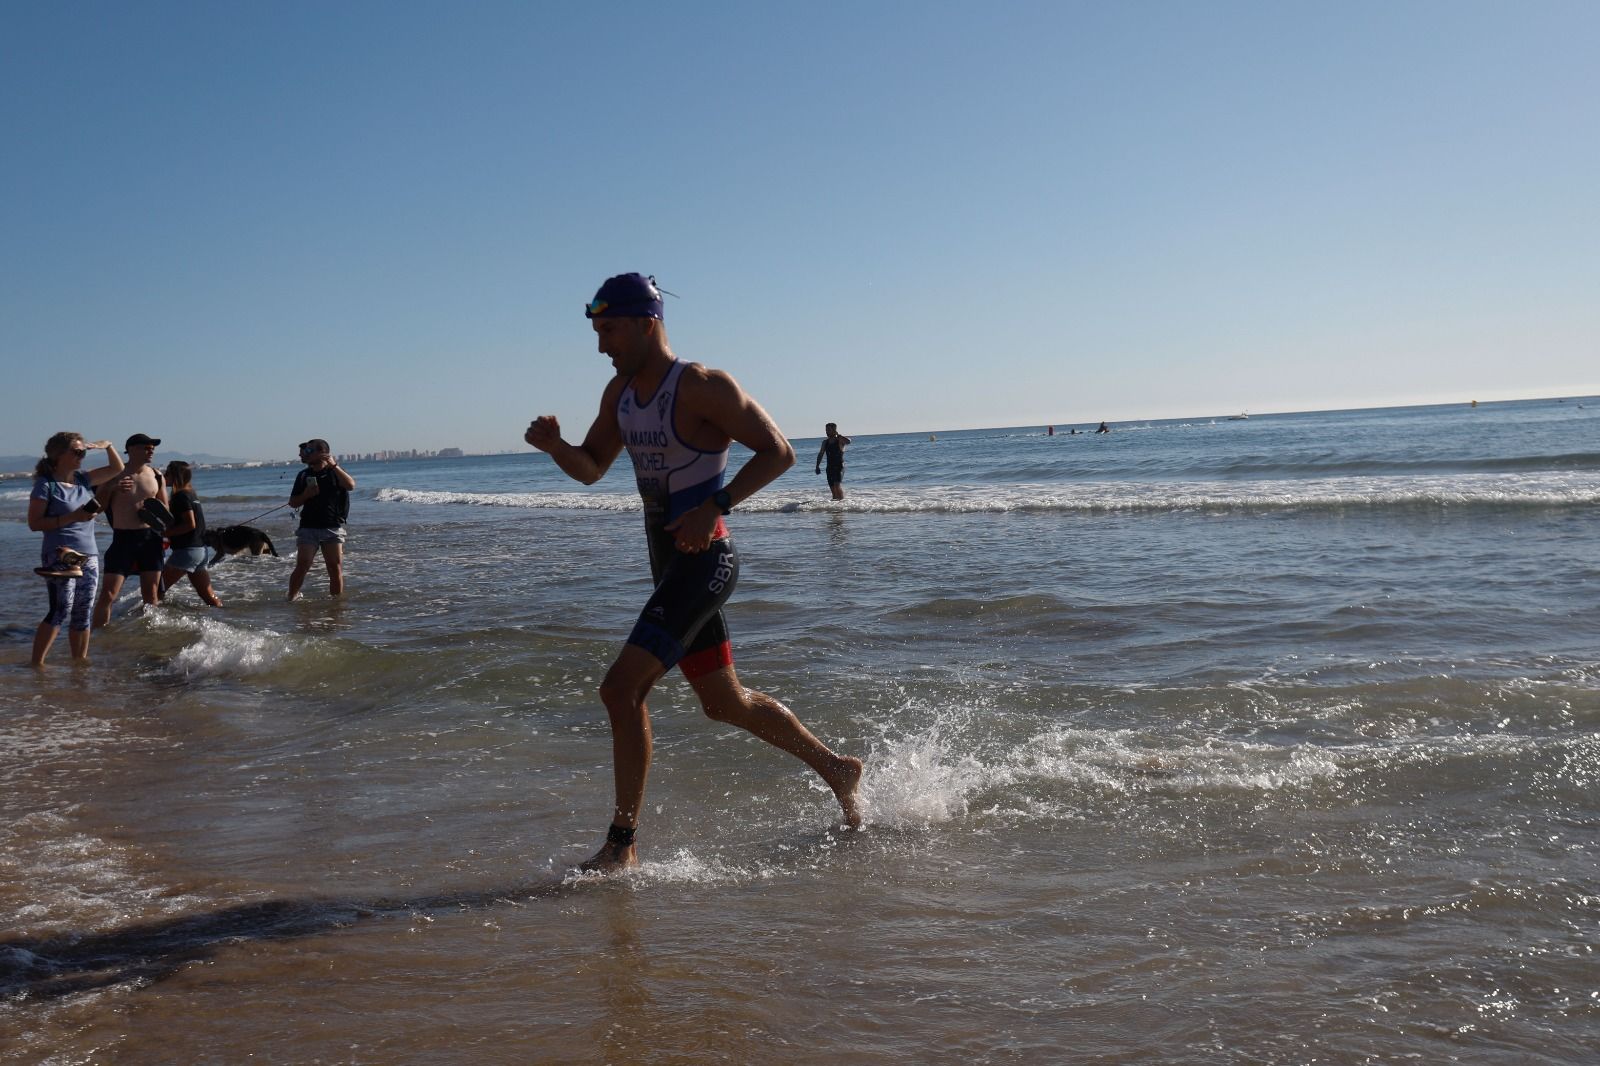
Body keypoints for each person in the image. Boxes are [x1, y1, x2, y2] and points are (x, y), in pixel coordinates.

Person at [524, 272, 863, 871]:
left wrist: (715, 507)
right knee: (724, 704)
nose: (602, 345)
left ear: (644, 321)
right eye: (597, 332)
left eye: (609, 330)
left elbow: (779, 451)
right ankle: (837, 768)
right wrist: (555, 447)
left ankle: (620, 846)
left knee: (620, 689)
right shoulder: (619, 393)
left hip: (706, 562)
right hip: (667, 564)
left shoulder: (701, 386)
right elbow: (592, 468)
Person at [27, 433, 124, 665]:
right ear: (59, 455)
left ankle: (79, 664)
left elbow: (116, 468)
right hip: (60, 553)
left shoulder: (82, 479)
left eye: (84, 452)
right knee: (61, 608)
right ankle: (37, 664)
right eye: (77, 452)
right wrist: (75, 516)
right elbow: (34, 523)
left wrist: (108, 445)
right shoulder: (46, 485)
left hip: (89, 554)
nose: (82, 456)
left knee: (83, 611)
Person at [94, 433, 168, 627]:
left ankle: (150, 636)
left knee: (151, 594)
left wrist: (156, 517)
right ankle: (97, 636)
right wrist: (111, 488)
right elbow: (98, 508)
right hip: (123, 538)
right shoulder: (113, 474)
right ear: (131, 449)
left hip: (151, 538)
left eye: (153, 447)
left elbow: (165, 511)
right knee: (108, 593)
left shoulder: (157, 475)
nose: (151, 450)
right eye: (146, 447)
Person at [287, 438, 355, 600]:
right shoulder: (303, 475)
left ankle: (336, 604)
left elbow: (351, 485)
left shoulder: (335, 472)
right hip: (308, 527)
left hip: (332, 526)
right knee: (303, 564)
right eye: (306, 451)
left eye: (310, 451)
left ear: (322, 453)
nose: (306, 454)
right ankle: (291, 598)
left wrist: (334, 466)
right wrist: (306, 495)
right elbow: (293, 502)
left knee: (334, 567)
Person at [159, 461, 223, 608]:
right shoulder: (191, 494)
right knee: (209, 597)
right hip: (200, 552)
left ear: (176, 476)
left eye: (167, 473)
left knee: (157, 590)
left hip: (187, 552)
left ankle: (149, 625)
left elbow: (190, 524)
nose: (164, 476)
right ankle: (225, 616)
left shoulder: (180, 496)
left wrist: (165, 533)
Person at [814, 422, 853, 501]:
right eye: (826, 430)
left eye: (828, 430)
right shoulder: (825, 442)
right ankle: (835, 508)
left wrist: (839, 435)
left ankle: (842, 503)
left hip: (839, 466)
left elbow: (849, 441)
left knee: (836, 485)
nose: (826, 432)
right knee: (832, 488)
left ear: (834, 430)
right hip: (829, 467)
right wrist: (817, 466)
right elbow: (821, 454)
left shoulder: (839, 440)